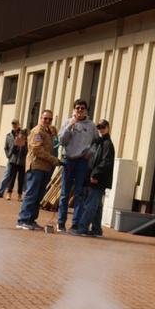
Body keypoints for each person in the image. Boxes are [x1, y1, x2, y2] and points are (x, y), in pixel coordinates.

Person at [17, 110, 63, 230]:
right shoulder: (37, 131)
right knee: (32, 194)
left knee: (38, 195)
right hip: (36, 166)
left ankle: (31, 220)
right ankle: (23, 220)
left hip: (45, 168)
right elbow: (37, 150)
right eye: (45, 118)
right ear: (40, 118)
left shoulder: (48, 132)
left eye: (49, 119)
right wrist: (54, 159)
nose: (47, 121)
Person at [57, 99, 98, 232]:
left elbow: (96, 143)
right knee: (64, 193)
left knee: (79, 194)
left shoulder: (91, 125)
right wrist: (70, 126)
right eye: (77, 108)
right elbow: (61, 141)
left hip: (82, 161)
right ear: (74, 110)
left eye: (82, 108)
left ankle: (75, 224)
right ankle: (61, 222)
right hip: (69, 160)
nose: (80, 110)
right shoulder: (67, 122)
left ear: (86, 110)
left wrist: (90, 153)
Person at [69, 119, 115, 236]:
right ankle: (97, 230)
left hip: (98, 179)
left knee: (91, 205)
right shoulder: (99, 142)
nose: (100, 129)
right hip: (93, 178)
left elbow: (106, 162)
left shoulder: (107, 144)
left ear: (108, 127)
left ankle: (82, 228)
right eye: (99, 127)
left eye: (103, 127)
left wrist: (95, 174)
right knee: (97, 205)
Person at [0, 120, 20, 198]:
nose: (14, 125)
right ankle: (0, 193)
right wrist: (8, 155)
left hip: (21, 160)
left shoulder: (22, 134)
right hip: (11, 159)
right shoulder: (9, 136)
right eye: (13, 124)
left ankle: (20, 196)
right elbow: (6, 147)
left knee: (21, 178)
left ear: (19, 124)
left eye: (16, 124)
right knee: (7, 175)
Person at [3, 129, 27, 200]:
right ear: (19, 135)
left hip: (22, 163)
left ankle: (19, 195)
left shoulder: (26, 143)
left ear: (25, 137)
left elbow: (26, 153)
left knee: (21, 180)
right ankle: (9, 193)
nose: (21, 137)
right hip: (13, 162)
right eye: (20, 135)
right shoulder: (16, 141)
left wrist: (23, 146)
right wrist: (16, 145)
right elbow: (12, 151)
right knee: (12, 179)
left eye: (23, 136)